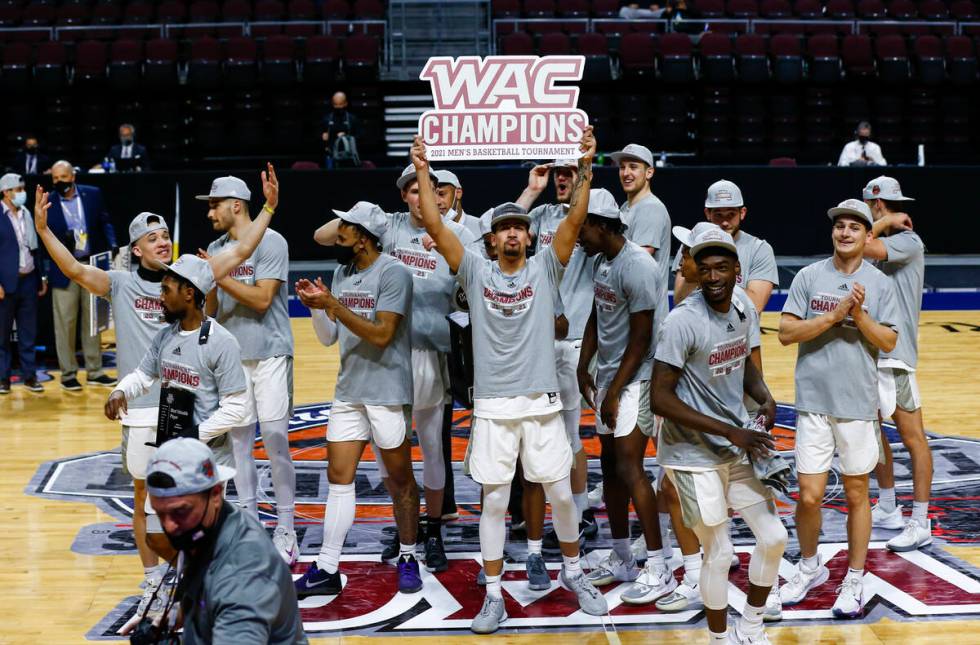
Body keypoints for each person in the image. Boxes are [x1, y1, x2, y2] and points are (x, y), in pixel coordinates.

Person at [36, 166, 278, 614]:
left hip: (192, 408)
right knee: (145, 500)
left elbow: (244, 246)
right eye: (153, 238)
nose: (162, 241)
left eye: (165, 234)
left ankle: (204, 577)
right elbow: (70, 266)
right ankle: (153, 581)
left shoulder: (193, 275)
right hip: (143, 409)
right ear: (136, 248)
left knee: (196, 501)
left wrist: (267, 209)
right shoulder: (119, 282)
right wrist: (43, 229)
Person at [412, 129, 608, 633]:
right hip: (495, 406)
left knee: (562, 496)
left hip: (541, 402)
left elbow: (576, 218)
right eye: (505, 229)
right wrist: (422, 170)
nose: (515, 234)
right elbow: (434, 223)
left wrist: (585, 166)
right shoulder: (474, 271)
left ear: (529, 236)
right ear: (492, 239)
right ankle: (494, 594)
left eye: (521, 227)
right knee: (496, 501)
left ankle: (573, 573)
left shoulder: (546, 266)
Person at [312, 163, 477, 573]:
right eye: (416, 190)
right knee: (392, 460)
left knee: (434, 450)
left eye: (432, 189)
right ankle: (409, 528)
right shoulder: (388, 227)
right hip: (388, 359)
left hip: (431, 352)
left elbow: (473, 286)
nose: (425, 197)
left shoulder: (455, 234)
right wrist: (359, 220)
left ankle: (434, 528)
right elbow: (322, 236)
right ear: (404, 195)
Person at [103, 253, 254, 633]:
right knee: (159, 536)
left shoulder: (222, 342)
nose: (161, 296)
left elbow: (237, 407)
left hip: (206, 464)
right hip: (172, 457)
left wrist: (195, 434)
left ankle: (207, 603)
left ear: (190, 293)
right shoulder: (166, 335)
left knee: (195, 543)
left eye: (167, 289)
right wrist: (121, 391)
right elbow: (144, 373)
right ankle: (202, 590)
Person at [652, 224, 786, 644]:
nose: (712, 277)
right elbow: (659, 398)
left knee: (775, 537)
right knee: (721, 551)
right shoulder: (682, 321)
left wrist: (764, 397)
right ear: (694, 271)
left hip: (732, 446)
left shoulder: (744, 306)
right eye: (704, 269)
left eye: (721, 268)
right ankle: (718, 637)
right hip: (689, 453)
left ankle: (750, 625)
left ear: (737, 271)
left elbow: (743, 361)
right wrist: (733, 430)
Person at [294, 201, 424, 597]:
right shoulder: (342, 272)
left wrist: (333, 304)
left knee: (400, 481)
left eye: (347, 227)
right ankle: (327, 566)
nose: (339, 233)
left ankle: (407, 555)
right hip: (349, 391)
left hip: (386, 392)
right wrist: (317, 308)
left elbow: (383, 335)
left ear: (364, 237)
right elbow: (330, 337)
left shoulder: (395, 273)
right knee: (338, 479)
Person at [778, 199, 899, 618]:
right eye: (839, 226)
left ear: (868, 236)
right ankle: (809, 567)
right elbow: (785, 332)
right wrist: (834, 318)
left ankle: (854, 578)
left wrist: (859, 315)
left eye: (854, 227)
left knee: (855, 493)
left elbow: (887, 341)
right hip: (812, 401)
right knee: (809, 496)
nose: (845, 233)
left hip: (857, 405)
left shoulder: (881, 284)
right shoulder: (810, 276)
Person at [576, 187, 676, 605]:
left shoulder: (637, 265)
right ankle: (621, 557)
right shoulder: (601, 260)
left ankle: (658, 565)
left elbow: (641, 338)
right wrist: (585, 365)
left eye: (582, 227)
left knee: (632, 467)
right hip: (610, 377)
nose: (576, 235)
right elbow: (599, 318)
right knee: (610, 466)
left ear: (601, 226)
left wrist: (616, 390)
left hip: (636, 378)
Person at [201, 174, 298, 565]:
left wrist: (218, 275)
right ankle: (249, 524)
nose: (210, 212)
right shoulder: (215, 249)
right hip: (232, 358)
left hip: (271, 352)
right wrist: (206, 282)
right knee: (239, 444)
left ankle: (287, 528)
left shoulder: (272, 242)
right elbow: (211, 310)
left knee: (275, 438)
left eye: (214, 204)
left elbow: (261, 299)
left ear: (236, 205)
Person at [139, 438, 306, 643]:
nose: (169, 526)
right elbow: (207, 595)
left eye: (180, 511)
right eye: (160, 513)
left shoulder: (243, 573)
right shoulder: (208, 525)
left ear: (216, 494)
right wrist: (172, 617)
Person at [515, 158, 598, 561]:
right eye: (557, 172)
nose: (560, 178)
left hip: (575, 339)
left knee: (568, 437)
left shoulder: (591, 208)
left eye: (568, 172)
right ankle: (560, 513)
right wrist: (532, 190)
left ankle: (579, 517)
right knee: (538, 437)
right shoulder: (541, 214)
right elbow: (497, 231)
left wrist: (584, 170)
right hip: (539, 342)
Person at [861, 176, 932, 552]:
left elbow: (859, 243)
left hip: (896, 355)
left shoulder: (906, 241)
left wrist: (886, 224)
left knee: (913, 437)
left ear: (875, 206)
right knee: (873, 433)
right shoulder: (885, 236)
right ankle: (888, 505)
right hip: (872, 352)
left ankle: (920, 521)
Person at [46, 159, 118, 391]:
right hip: (63, 268)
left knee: (93, 322)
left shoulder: (93, 194)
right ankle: (68, 374)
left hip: (91, 266)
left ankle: (95, 371)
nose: (59, 182)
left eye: (63, 178)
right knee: (65, 323)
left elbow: (105, 221)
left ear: (73, 176)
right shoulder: (48, 201)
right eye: (55, 179)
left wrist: (113, 245)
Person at [673, 180, 778, 315]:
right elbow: (680, 300)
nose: (724, 222)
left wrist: (708, 279)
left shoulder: (759, 249)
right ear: (707, 213)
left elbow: (755, 306)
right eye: (718, 215)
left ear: (743, 213)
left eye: (731, 214)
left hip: (741, 333)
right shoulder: (690, 243)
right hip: (697, 329)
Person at [0, 173, 46, 394]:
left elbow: (36, 248)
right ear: (6, 192)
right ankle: (3, 379)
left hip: (28, 280)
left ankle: (30, 376)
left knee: (28, 333)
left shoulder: (27, 213)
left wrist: (41, 277)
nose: (22, 192)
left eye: (22, 188)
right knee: (2, 335)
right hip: (5, 284)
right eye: (18, 189)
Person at [434, 169, 482, 240]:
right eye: (431, 196)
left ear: (458, 193)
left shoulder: (480, 228)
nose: (436, 202)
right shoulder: (424, 230)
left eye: (441, 194)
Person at [321, 91, 361, 168]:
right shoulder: (326, 119)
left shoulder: (352, 119)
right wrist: (322, 136)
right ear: (332, 104)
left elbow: (361, 136)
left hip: (349, 159)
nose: (338, 107)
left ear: (346, 103)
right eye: (336, 104)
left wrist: (347, 136)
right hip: (331, 158)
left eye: (341, 104)